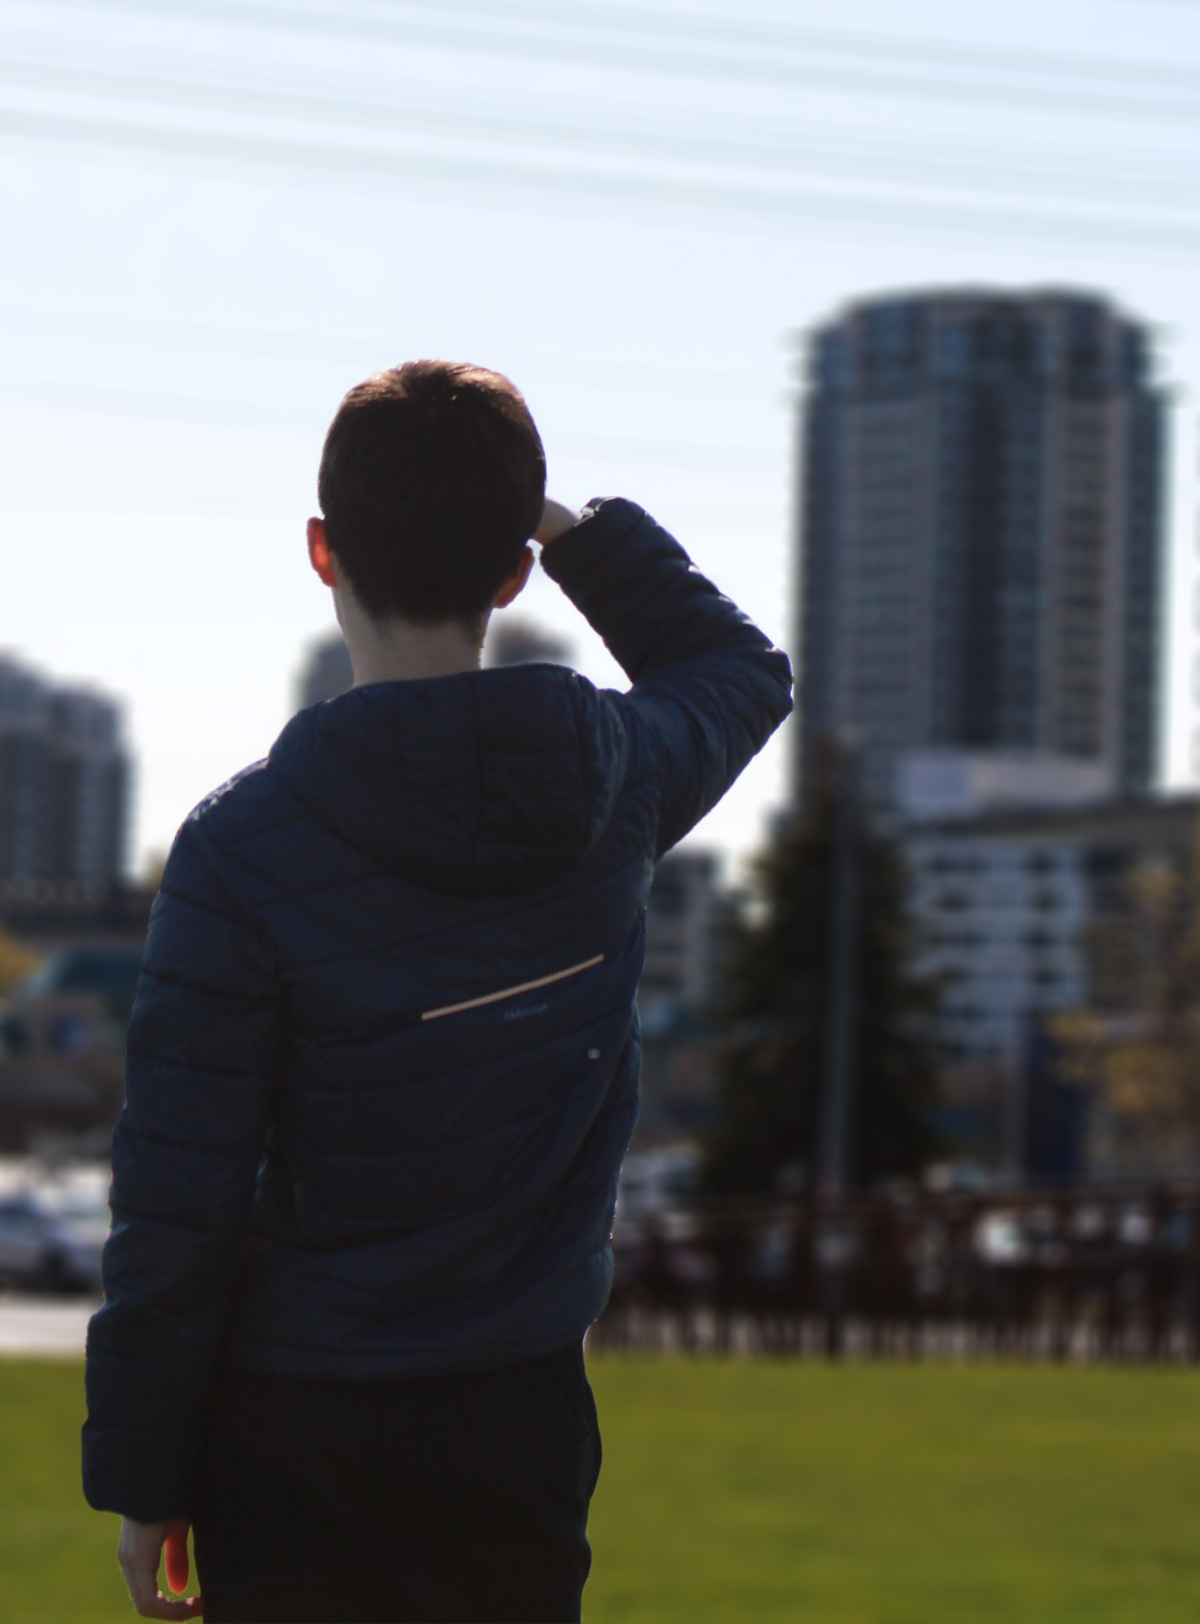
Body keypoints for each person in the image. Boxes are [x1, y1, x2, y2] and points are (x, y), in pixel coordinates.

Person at [83, 360, 791, 1623]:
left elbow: (178, 1201)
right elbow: (735, 667)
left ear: (321, 552)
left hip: (291, 1429)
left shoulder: (242, 851)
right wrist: (562, 524)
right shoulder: (616, 781)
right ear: (514, 572)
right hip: (515, 1424)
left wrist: (148, 1477)